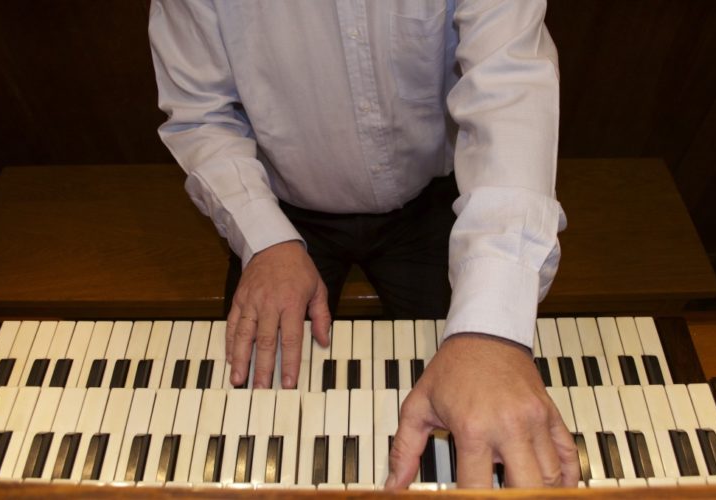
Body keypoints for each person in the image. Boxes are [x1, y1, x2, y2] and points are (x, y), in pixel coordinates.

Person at [149, 0, 578, 489]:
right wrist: (263, 240)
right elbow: (201, 115)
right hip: (277, 211)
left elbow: (511, 93)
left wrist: (492, 332)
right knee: (250, 412)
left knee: (473, 400)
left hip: (430, 200)